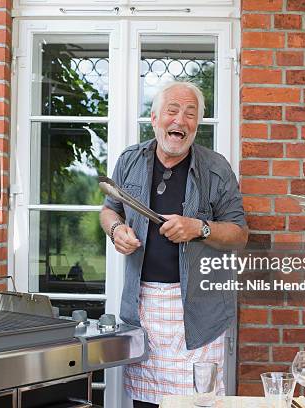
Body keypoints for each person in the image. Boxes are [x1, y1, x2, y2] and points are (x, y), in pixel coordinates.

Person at [100, 81, 248, 407]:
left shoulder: (216, 168)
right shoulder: (130, 161)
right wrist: (116, 231)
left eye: (190, 114)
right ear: (154, 118)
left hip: (198, 311)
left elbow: (239, 233)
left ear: (197, 125)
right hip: (144, 308)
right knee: (144, 402)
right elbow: (110, 210)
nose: (180, 120)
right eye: (172, 111)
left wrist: (199, 228)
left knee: (195, 402)